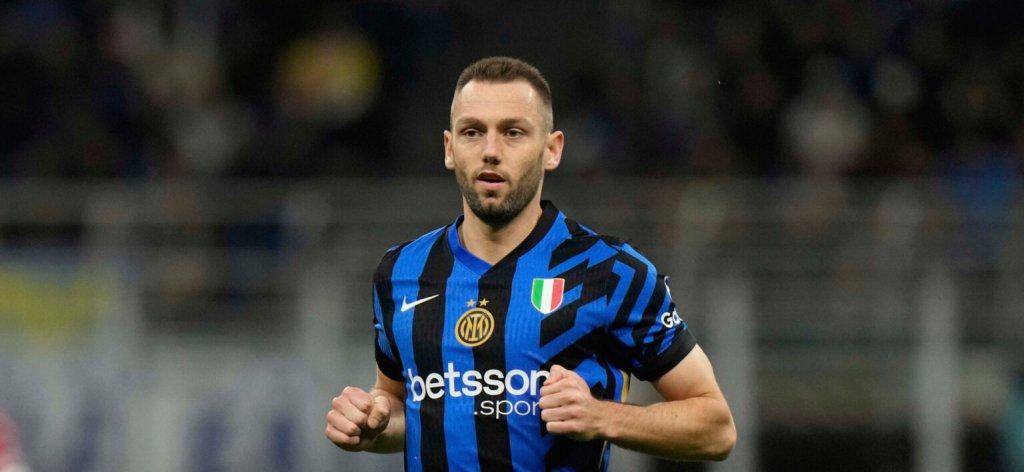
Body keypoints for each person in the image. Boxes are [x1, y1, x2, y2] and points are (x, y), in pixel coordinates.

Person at [325, 56, 736, 471]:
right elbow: (401, 405)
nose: (490, 151)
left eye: (513, 132)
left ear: (551, 150)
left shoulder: (611, 272)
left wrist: (602, 416)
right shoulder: (400, 272)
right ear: (449, 149)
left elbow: (716, 428)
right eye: (472, 132)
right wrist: (373, 422)